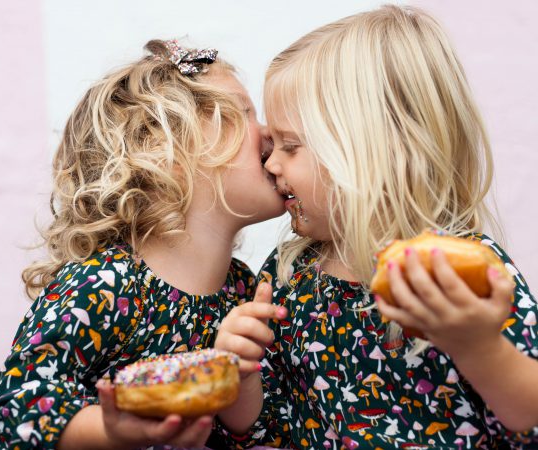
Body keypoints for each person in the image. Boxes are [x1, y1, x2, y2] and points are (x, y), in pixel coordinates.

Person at [214, 5, 538, 449]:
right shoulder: (289, 276)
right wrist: (241, 379)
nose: (270, 162)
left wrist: (477, 346)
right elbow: (270, 429)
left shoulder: (462, 273)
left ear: (375, 150)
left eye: (291, 145)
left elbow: (528, 421)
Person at [0, 39, 284, 450]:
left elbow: (255, 433)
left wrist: (243, 384)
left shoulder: (243, 291)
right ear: (167, 152)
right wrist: (112, 431)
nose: (269, 131)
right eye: (244, 113)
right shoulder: (104, 283)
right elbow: (16, 405)